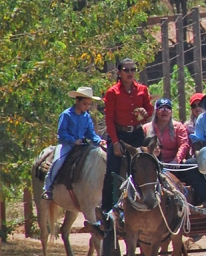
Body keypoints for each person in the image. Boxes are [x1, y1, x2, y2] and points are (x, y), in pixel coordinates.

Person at [101, 58, 153, 218]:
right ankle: (106, 211)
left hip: (137, 134)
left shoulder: (142, 90)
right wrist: (115, 142)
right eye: (126, 70)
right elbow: (109, 119)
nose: (130, 73)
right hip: (119, 134)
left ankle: (153, 196)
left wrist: (145, 114)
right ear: (119, 72)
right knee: (112, 171)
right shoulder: (112, 92)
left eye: (133, 69)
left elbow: (149, 111)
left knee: (146, 163)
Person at [43, 86, 104, 200]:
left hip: (82, 145)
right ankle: (48, 188)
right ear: (77, 101)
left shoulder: (86, 116)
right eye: (85, 103)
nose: (87, 106)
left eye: (89, 104)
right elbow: (61, 133)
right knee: (58, 162)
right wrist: (73, 140)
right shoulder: (66, 114)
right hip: (67, 145)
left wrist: (99, 141)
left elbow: (90, 133)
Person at [144, 98, 191, 165]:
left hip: (173, 164)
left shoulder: (179, 127)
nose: (164, 111)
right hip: (152, 164)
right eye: (161, 108)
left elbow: (184, 145)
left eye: (168, 108)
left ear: (171, 112)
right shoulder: (146, 128)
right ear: (156, 112)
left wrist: (176, 160)